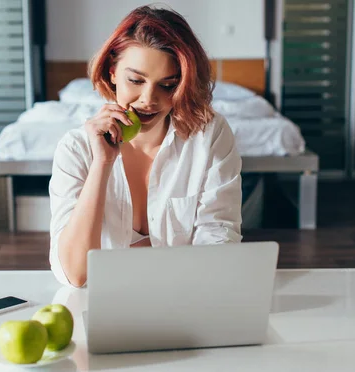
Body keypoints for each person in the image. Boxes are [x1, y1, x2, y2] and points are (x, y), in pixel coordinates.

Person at [49, 5, 242, 287]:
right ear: (113, 71)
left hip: (186, 297)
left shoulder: (209, 134)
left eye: (168, 85)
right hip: (103, 305)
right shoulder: (75, 149)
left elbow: (218, 242)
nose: (148, 100)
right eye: (136, 80)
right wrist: (102, 165)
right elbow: (76, 275)